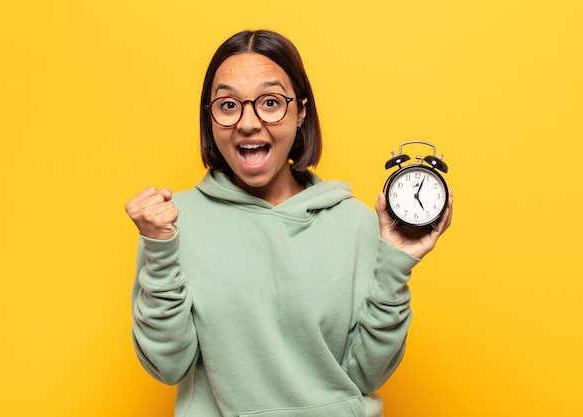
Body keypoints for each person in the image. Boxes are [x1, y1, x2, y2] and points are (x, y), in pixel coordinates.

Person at [125, 29, 452, 417]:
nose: (248, 123)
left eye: (270, 102)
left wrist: (395, 265)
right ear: (210, 118)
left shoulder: (354, 222)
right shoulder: (173, 222)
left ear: (300, 112)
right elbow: (168, 366)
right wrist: (160, 252)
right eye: (228, 105)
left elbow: (366, 374)